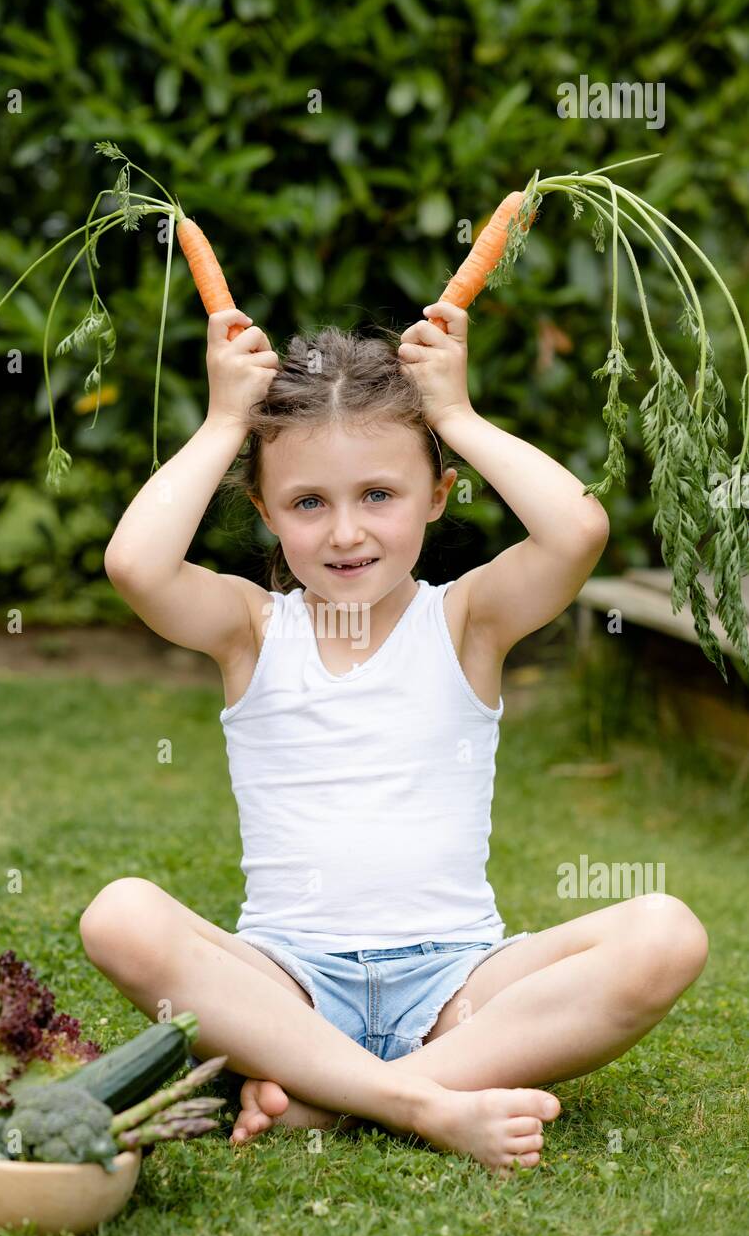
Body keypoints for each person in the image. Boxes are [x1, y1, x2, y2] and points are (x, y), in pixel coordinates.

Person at [80, 302, 708, 1172]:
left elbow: (578, 529)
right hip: (289, 981)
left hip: (457, 983)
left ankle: (331, 1095)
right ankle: (418, 1101)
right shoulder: (252, 628)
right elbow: (135, 566)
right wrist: (227, 420)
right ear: (264, 509)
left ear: (438, 494)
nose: (346, 531)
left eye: (379, 494)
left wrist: (455, 415)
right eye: (308, 502)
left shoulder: (466, 621)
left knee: (665, 933)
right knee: (120, 917)